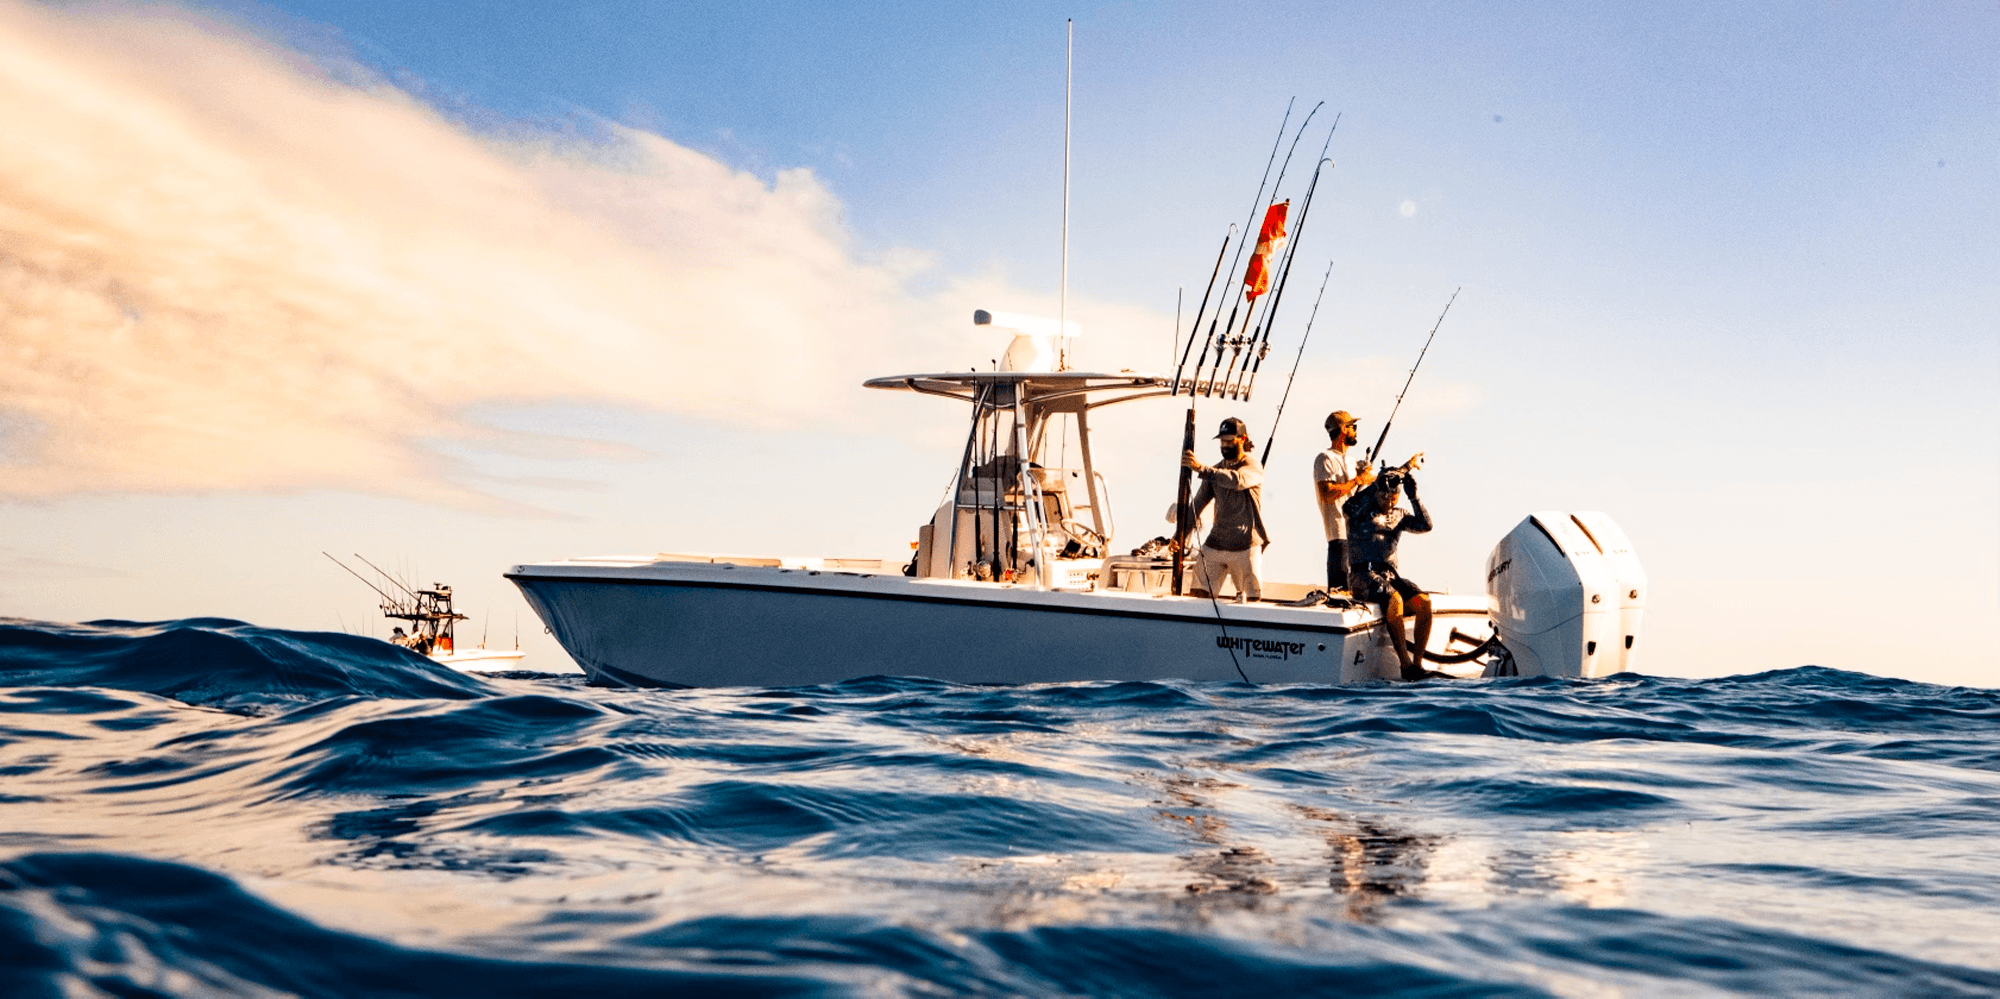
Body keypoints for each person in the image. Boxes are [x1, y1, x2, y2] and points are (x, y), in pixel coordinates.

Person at [1346, 460, 1434, 680]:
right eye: (1384, 495)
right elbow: (1346, 508)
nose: (1388, 500)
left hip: (1389, 575)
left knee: (1424, 603)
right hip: (1362, 574)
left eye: (1393, 497)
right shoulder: (1359, 511)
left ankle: (1417, 664)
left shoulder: (1400, 515)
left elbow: (1426, 526)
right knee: (1395, 600)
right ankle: (1405, 665)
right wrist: (1376, 484)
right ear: (1376, 492)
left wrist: (1414, 497)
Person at [1177, 416, 1270, 602]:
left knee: (1250, 604)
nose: (1225, 445)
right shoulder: (1214, 471)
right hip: (1215, 543)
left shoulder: (1253, 466)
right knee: (1196, 599)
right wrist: (1178, 536)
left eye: (1229, 441)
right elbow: (1197, 505)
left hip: (1246, 546)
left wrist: (1200, 468)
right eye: (1222, 441)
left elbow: (1237, 480)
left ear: (1242, 439)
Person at [1312, 411, 1375, 594]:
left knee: (1357, 591)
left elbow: (1363, 485)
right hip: (1339, 534)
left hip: (1356, 535)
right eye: (1353, 427)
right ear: (1343, 429)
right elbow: (1327, 494)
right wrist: (1357, 481)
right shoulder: (1325, 458)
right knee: (1340, 593)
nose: (1356, 431)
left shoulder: (1350, 460)